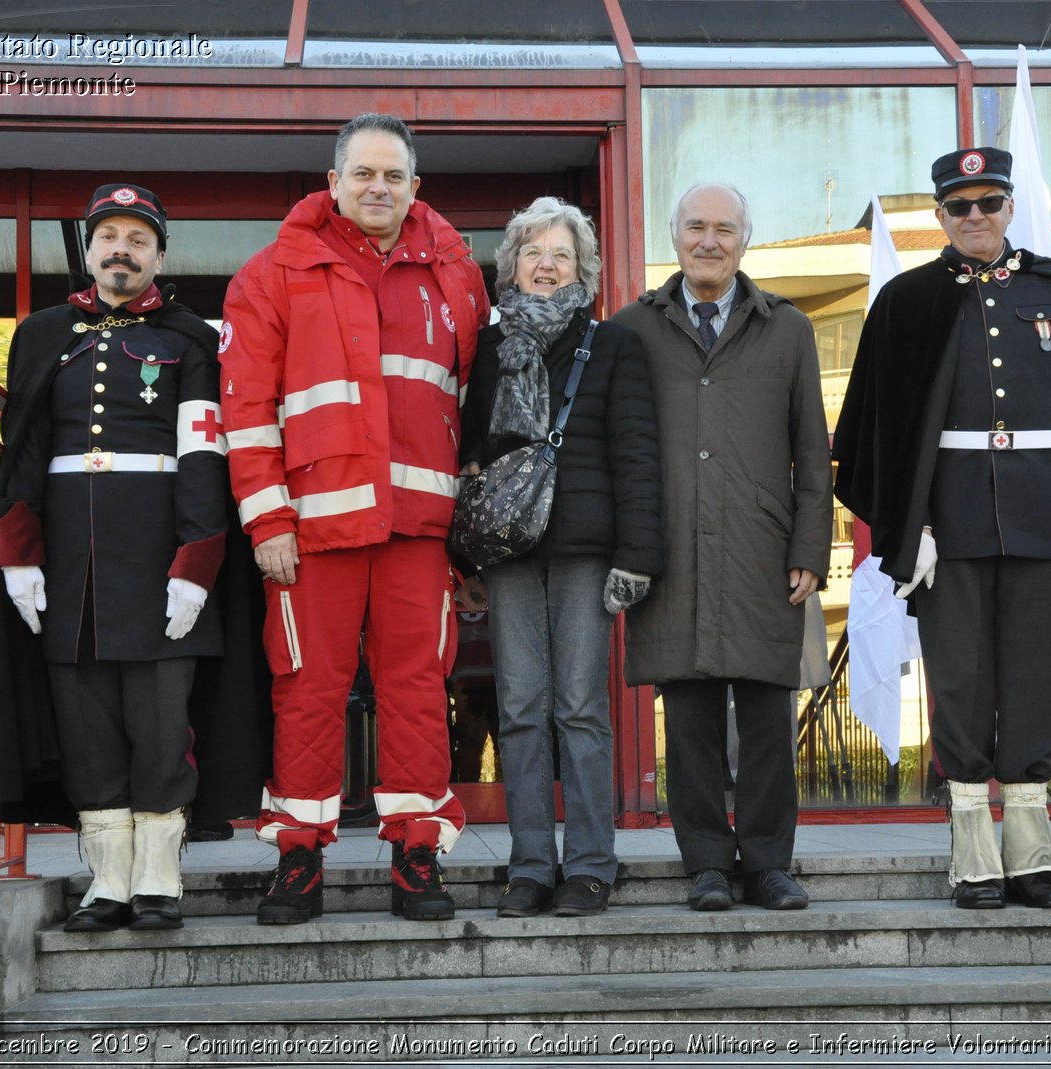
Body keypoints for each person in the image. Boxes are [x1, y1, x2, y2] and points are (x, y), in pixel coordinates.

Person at [832, 148, 1051, 910]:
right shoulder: (907, 302)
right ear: (940, 216)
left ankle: (1032, 854)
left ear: (1010, 208)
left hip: (1043, 519)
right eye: (959, 207)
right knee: (962, 680)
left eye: (989, 203)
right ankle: (973, 852)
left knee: (1037, 677)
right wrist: (913, 524)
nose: (975, 217)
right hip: (950, 525)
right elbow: (881, 430)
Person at [220, 113, 489, 924]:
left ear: (416, 187)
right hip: (313, 533)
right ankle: (298, 860)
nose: (378, 187)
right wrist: (267, 520)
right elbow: (247, 412)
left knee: (417, 690)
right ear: (332, 182)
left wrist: (467, 534)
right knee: (307, 690)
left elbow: (470, 403)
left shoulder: (456, 275)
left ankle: (417, 856)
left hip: (418, 527)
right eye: (363, 174)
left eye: (394, 175)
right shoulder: (272, 274)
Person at [0, 184, 233, 932]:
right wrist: (18, 553)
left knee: (162, 720)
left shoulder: (191, 339)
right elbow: (23, 449)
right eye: (109, 237)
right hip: (70, 566)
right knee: (85, 720)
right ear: (90, 250)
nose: (121, 250)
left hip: (159, 553)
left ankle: (160, 876)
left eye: (137, 238)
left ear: (160, 254)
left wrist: (196, 561)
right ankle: (109, 881)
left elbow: (202, 452)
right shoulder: (41, 333)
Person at [611, 182, 831, 912]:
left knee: (769, 717)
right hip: (670, 551)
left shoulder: (789, 329)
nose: (710, 240)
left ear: (745, 239)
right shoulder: (632, 329)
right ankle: (705, 862)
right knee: (691, 715)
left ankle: (769, 862)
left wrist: (810, 545)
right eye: (696, 227)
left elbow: (811, 450)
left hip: (762, 553)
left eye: (725, 229)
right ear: (674, 236)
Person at [458, 197, 662, 918]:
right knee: (518, 708)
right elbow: (471, 455)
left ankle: (589, 865)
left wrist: (637, 554)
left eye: (562, 255)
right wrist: (467, 557)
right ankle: (530, 864)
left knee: (579, 707)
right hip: (510, 550)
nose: (546, 266)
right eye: (534, 253)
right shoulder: (488, 349)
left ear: (584, 271)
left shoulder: (612, 345)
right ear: (511, 265)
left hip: (585, 550)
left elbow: (638, 453)